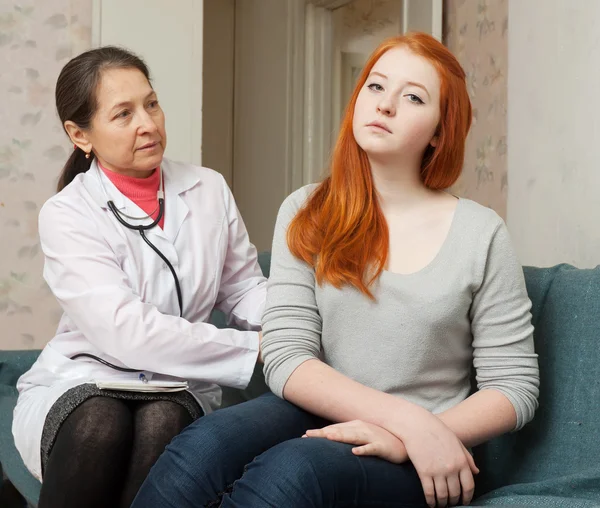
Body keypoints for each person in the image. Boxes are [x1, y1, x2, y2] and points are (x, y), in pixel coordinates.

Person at [132, 32, 540, 508]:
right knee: (202, 444)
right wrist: (401, 418)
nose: (385, 105)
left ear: (439, 132)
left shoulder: (481, 233)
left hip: (425, 455)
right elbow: (286, 355)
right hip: (322, 412)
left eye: (412, 97)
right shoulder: (308, 208)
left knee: (293, 471)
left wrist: (418, 434)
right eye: (375, 86)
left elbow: (513, 388)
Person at [11, 46, 266, 508]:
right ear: (80, 135)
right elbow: (126, 333)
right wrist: (254, 348)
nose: (147, 124)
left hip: (181, 384)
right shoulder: (67, 213)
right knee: (101, 420)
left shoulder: (208, 188)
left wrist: (294, 325)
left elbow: (245, 288)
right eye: (123, 114)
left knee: (162, 419)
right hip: (85, 379)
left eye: (151, 104)